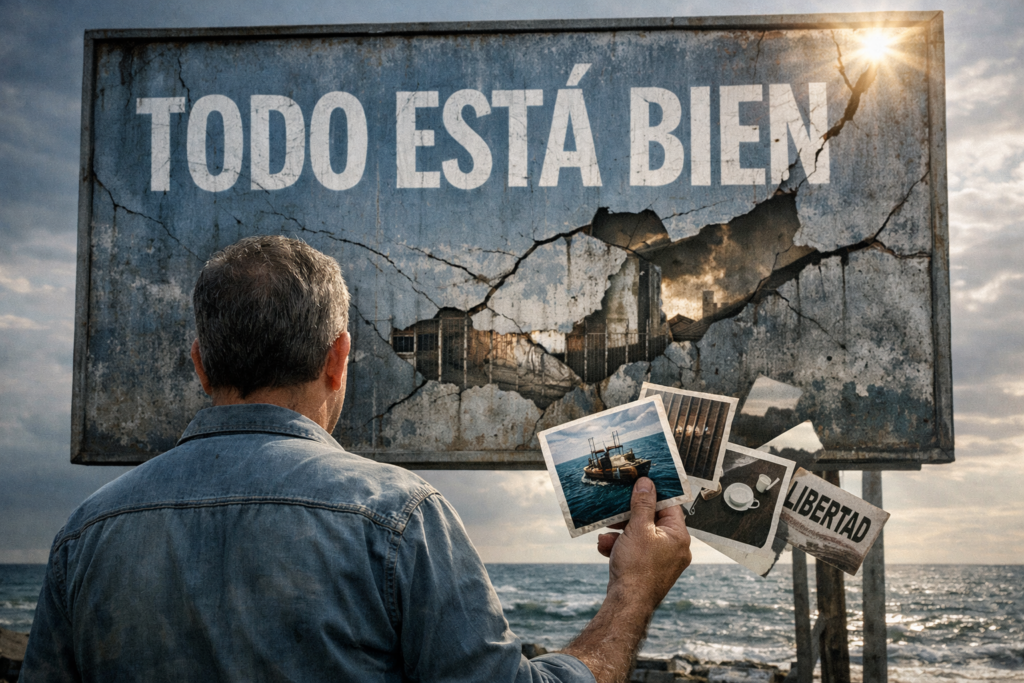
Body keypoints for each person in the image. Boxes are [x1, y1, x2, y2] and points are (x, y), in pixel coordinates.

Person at [21, 235, 692, 682]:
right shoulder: (400, 518)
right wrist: (632, 594)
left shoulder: (85, 534)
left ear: (199, 364)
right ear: (338, 359)